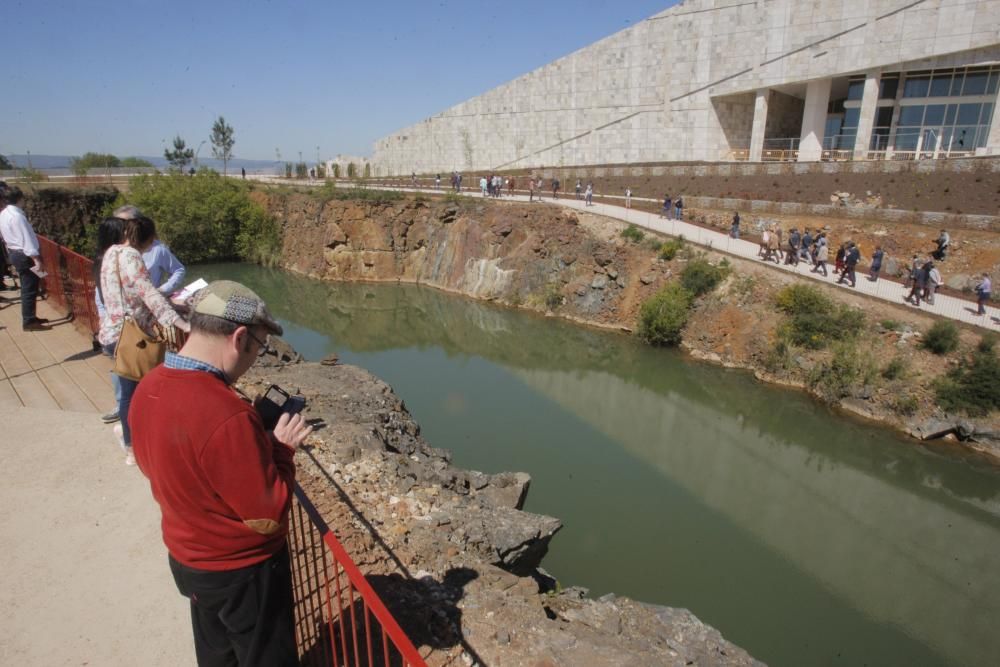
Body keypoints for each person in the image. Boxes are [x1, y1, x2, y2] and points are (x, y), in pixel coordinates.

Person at [131, 280, 310, 667]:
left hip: (188, 558)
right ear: (239, 337)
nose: (254, 359)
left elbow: (157, 464)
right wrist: (280, 449)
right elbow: (269, 515)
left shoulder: (148, 387)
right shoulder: (226, 414)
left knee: (217, 654)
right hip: (240, 570)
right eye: (259, 348)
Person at [99, 215, 190, 465]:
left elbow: (127, 294)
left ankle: (131, 439)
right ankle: (133, 447)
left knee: (133, 392)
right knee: (139, 394)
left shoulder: (111, 252)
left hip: (112, 332)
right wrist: (179, 321)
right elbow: (147, 292)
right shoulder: (132, 256)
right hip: (130, 337)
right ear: (149, 239)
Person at [0, 185, 48, 331]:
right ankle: (29, 321)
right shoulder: (17, 217)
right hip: (24, 255)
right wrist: (37, 259)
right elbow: (26, 240)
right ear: (20, 199)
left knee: (28, 287)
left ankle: (31, 317)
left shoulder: (5, 213)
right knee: (29, 288)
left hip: (15, 252)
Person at [114, 205, 187, 296]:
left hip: (151, 302)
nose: (120, 228)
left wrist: (163, 289)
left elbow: (178, 270)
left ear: (138, 223)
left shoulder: (157, 248)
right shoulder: (113, 250)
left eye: (124, 223)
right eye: (117, 223)